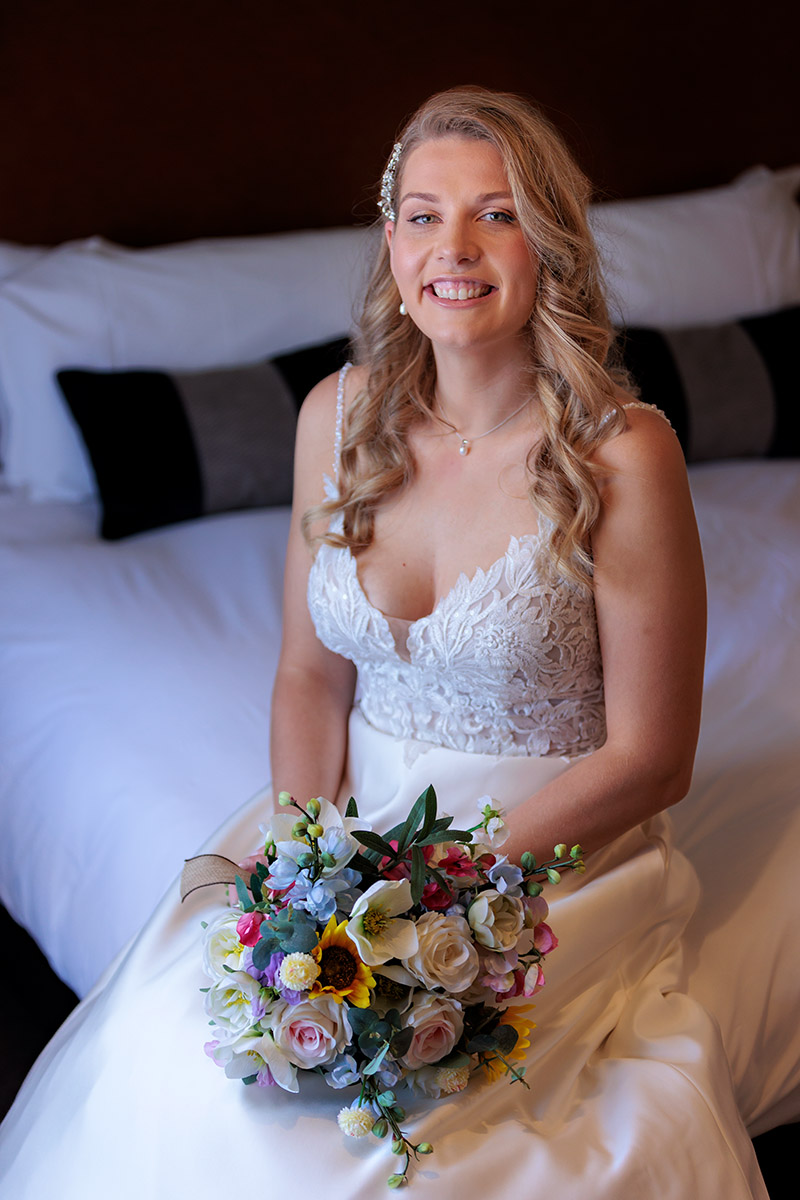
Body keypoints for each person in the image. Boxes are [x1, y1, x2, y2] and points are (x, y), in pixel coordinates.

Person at [0, 87, 766, 1197]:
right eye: (419, 215)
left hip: (543, 862)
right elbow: (308, 676)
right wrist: (308, 864)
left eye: (494, 214)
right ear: (391, 240)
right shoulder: (337, 416)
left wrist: (447, 889)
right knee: (179, 1063)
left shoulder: (621, 452)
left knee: (393, 1148)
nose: (450, 248)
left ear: (546, 240)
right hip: (351, 838)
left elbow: (652, 758)